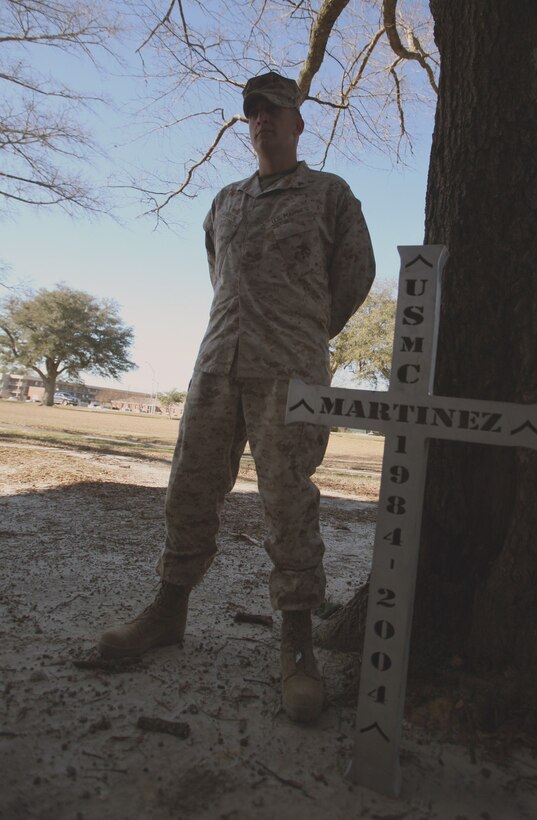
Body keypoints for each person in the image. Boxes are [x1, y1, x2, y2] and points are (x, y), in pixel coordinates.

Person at [98, 72, 375, 723]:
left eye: (275, 111)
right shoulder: (224, 201)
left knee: (287, 505)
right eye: (253, 114)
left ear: (298, 122)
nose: (263, 122)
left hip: (290, 375)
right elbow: (219, 275)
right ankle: (167, 612)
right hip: (217, 365)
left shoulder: (330, 195)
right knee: (188, 488)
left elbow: (354, 277)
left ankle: (297, 646)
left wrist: (301, 334)